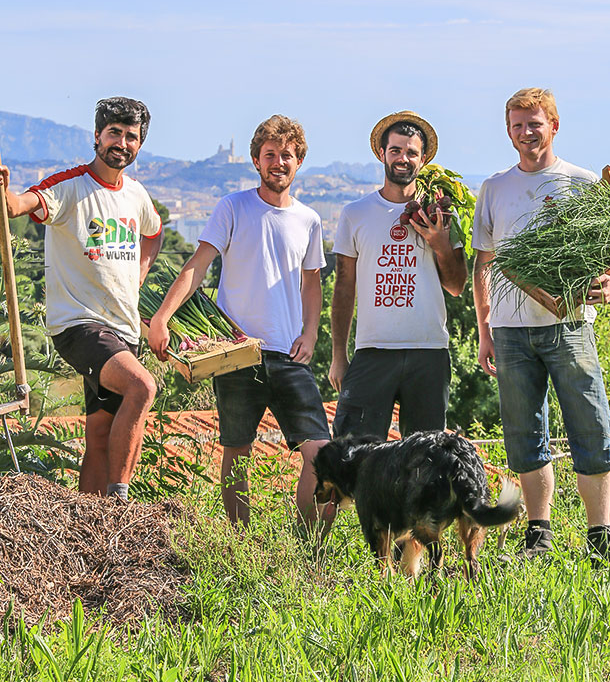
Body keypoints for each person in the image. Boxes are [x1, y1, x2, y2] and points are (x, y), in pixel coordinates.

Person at [148, 115, 331, 528]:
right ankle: (239, 544)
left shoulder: (310, 220)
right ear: (255, 160)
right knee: (237, 450)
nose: (278, 162)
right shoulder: (233, 206)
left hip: (288, 353)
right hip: (234, 354)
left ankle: (311, 553)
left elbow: (313, 283)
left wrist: (311, 332)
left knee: (322, 454)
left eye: (287, 155)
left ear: (298, 161)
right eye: (270, 155)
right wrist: (162, 317)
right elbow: (197, 267)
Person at [0, 97, 163, 500]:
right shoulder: (71, 187)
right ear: (96, 135)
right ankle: (120, 503)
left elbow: (154, 232)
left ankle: (88, 520)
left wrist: (138, 278)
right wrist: (5, 195)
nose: (121, 143)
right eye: (114, 133)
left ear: (139, 144)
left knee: (101, 433)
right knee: (142, 386)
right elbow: (20, 205)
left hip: (123, 328)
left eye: (131, 136)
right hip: (79, 325)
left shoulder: (137, 196)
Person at [472, 87, 610, 562]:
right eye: (517, 125)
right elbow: (484, 265)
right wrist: (485, 330)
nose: (526, 133)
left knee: (591, 429)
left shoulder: (584, 183)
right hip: (510, 332)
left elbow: (603, 260)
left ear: (553, 126)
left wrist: (606, 284)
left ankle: (600, 538)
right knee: (524, 435)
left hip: (570, 326)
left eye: (535, 123)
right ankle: (540, 537)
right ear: (508, 131)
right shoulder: (494, 188)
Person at [328, 110, 467, 440]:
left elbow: (457, 285)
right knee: (352, 450)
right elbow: (344, 287)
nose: (403, 159)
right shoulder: (355, 214)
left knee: (425, 460)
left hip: (429, 352)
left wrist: (439, 243)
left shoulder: (442, 213)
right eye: (396, 151)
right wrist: (338, 355)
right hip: (372, 350)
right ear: (382, 154)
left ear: (422, 160)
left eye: (411, 153)